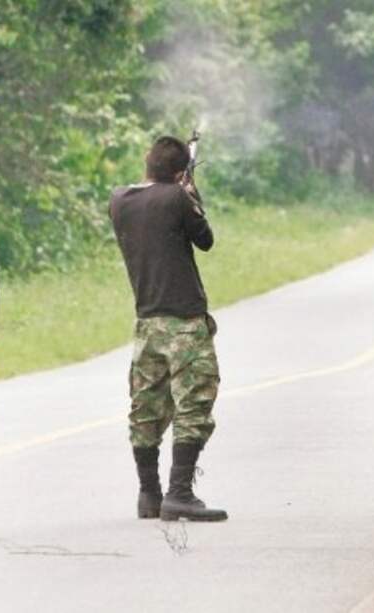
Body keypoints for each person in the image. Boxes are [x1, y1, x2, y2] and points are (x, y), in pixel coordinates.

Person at [109, 135, 227, 522]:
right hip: (185, 322)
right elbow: (205, 240)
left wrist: (180, 187)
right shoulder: (178, 198)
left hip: (147, 323)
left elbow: (155, 203)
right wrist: (191, 194)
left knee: (145, 409)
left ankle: (149, 494)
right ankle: (180, 493)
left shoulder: (119, 200)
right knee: (193, 405)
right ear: (179, 174)